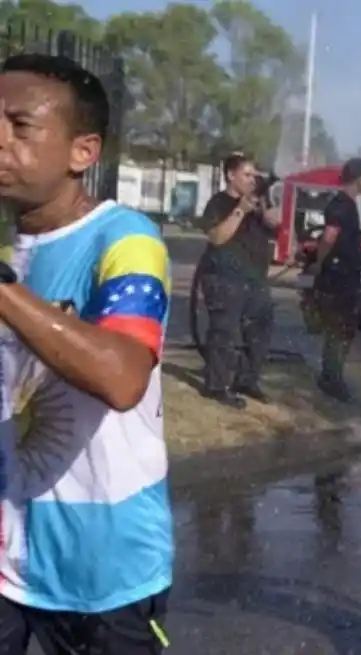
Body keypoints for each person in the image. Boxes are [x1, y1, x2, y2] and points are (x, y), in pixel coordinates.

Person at [0, 53, 172, 654]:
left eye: (20, 126)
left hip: (103, 571)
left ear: (83, 152)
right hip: (9, 554)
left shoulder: (125, 239)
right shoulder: (10, 248)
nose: (0, 139)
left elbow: (122, 377)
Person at [195, 153, 279, 409]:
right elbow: (217, 237)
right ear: (231, 176)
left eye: (255, 175)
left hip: (254, 278)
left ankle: (247, 380)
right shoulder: (218, 203)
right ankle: (216, 386)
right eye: (247, 175)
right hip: (224, 279)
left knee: (260, 330)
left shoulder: (256, 204)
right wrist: (240, 210)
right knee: (224, 332)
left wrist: (264, 207)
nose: (252, 180)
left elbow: (275, 224)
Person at [308, 157, 361, 401]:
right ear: (358, 177)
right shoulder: (341, 205)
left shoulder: (349, 205)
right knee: (338, 329)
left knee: (345, 329)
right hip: (338, 278)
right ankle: (331, 378)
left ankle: (333, 375)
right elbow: (329, 237)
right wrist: (319, 263)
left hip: (347, 276)